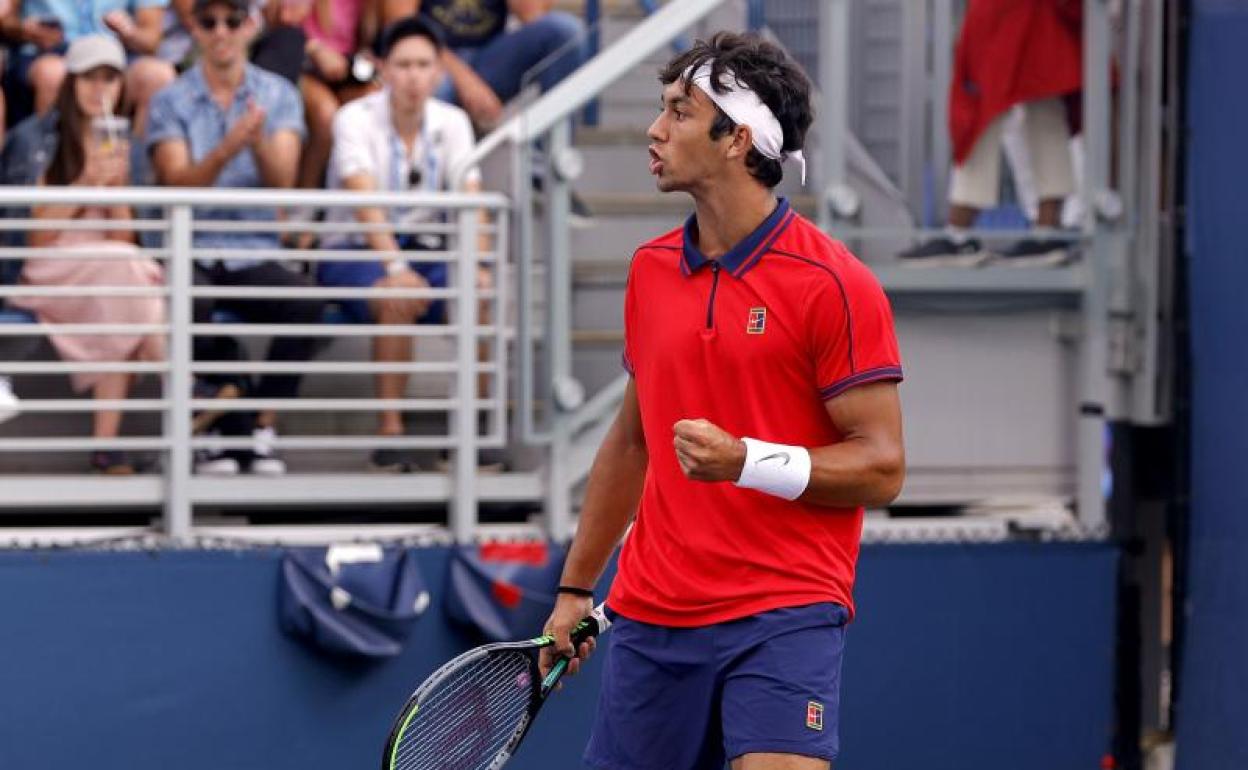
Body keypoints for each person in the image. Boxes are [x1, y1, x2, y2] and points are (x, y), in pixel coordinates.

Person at [539, 33, 905, 770]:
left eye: (680, 110)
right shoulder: (648, 272)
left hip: (785, 612)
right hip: (650, 616)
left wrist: (746, 462)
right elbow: (631, 443)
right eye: (661, 109)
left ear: (738, 139)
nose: (656, 128)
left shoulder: (834, 284)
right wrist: (576, 589)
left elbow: (882, 468)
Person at [147, 0, 322, 475]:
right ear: (195, 29)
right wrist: (227, 148)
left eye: (232, 20)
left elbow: (282, 181)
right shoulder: (170, 98)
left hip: (254, 247)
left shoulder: (278, 93)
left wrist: (257, 140)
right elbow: (175, 183)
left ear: (250, 25)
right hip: (192, 246)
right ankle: (232, 423)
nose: (221, 31)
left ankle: (256, 423)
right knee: (188, 302)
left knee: (306, 303)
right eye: (209, 22)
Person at [317, 16, 495, 472]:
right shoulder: (353, 118)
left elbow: (471, 202)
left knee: (478, 292)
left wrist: (476, 263)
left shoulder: (452, 121)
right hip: (353, 248)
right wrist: (395, 265)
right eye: (403, 65)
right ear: (383, 69)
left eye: (423, 65)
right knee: (398, 294)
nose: (414, 76)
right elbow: (364, 203)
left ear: (439, 71)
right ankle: (390, 434)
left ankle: (470, 436)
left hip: (427, 246)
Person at [7, 35, 165, 474]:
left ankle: (105, 447)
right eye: (90, 79)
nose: (100, 90)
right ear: (70, 83)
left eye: (110, 80)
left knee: (126, 281)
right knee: (133, 275)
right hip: (47, 267)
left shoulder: (125, 143)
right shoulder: (37, 138)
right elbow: (31, 237)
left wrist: (116, 189)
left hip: (107, 270)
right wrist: (86, 181)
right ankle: (183, 384)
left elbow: (125, 236)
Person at [898, 0, 1082, 267]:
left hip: (1016, 19)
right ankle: (1045, 229)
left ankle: (962, 232)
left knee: (990, 114)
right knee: (1029, 110)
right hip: (1028, 20)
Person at [0, 0, 175, 130]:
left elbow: (151, 40)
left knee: (158, 76)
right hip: (50, 53)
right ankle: (48, 169)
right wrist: (26, 29)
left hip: (115, 53)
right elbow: (5, 20)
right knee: (52, 74)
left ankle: (134, 168)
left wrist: (129, 32)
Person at [417, 0, 586, 130]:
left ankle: (540, 165)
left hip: (490, 58)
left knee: (565, 31)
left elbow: (532, 16)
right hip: (431, 57)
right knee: (431, 85)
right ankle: (429, 169)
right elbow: (403, 27)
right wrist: (466, 81)